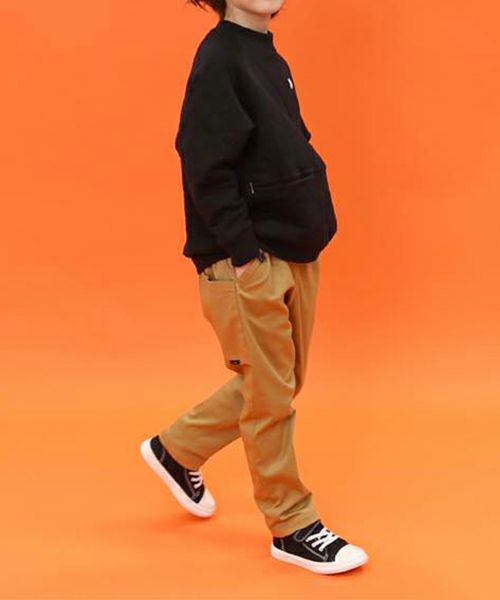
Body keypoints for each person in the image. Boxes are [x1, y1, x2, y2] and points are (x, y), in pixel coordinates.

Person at [140, 0, 369, 575]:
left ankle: (177, 449)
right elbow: (203, 165)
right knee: (271, 394)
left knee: (281, 381)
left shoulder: (265, 54)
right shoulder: (219, 58)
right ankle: (291, 524)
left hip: (292, 249)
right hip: (249, 259)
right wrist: (243, 256)